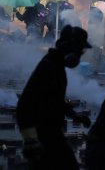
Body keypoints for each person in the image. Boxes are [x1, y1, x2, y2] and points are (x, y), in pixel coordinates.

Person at [16, 25, 92, 170]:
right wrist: (30, 139)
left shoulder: (56, 65)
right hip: (44, 133)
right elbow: (25, 105)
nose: (80, 55)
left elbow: (52, 99)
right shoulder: (48, 67)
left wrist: (74, 115)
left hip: (49, 131)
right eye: (79, 51)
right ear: (68, 48)